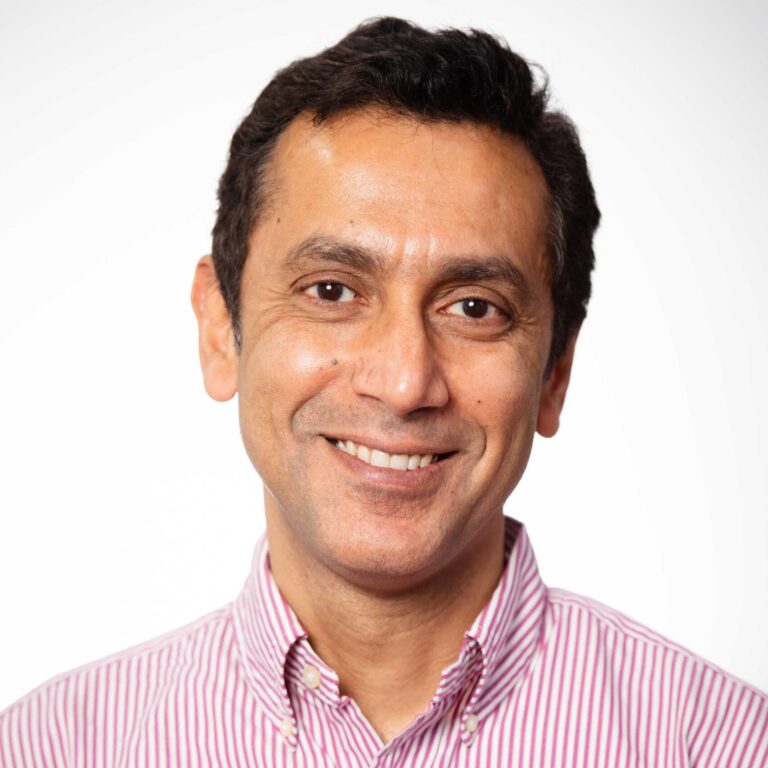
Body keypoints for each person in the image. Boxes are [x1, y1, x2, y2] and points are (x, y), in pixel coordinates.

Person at [1, 15, 765, 767]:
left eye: (475, 308)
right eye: (331, 290)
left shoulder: (723, 747)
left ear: (554, 371)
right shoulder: (52, 749)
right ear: (220, 328)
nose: (403, 384)